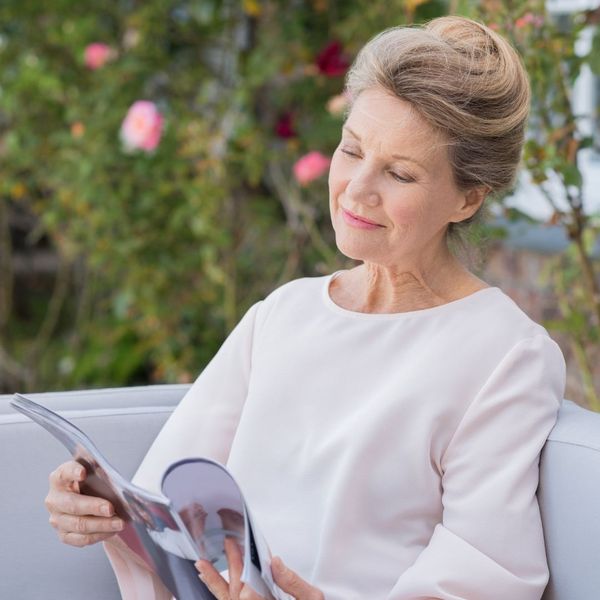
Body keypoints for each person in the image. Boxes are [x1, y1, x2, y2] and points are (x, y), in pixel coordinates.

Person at [44, 15, 566, 600]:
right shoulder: (283, 315)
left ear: (469, 197)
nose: (357, 189)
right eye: (351, 149)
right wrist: (98, 509)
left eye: (399, 173)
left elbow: (486, 570)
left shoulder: (504, 355)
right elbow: (164, 509)